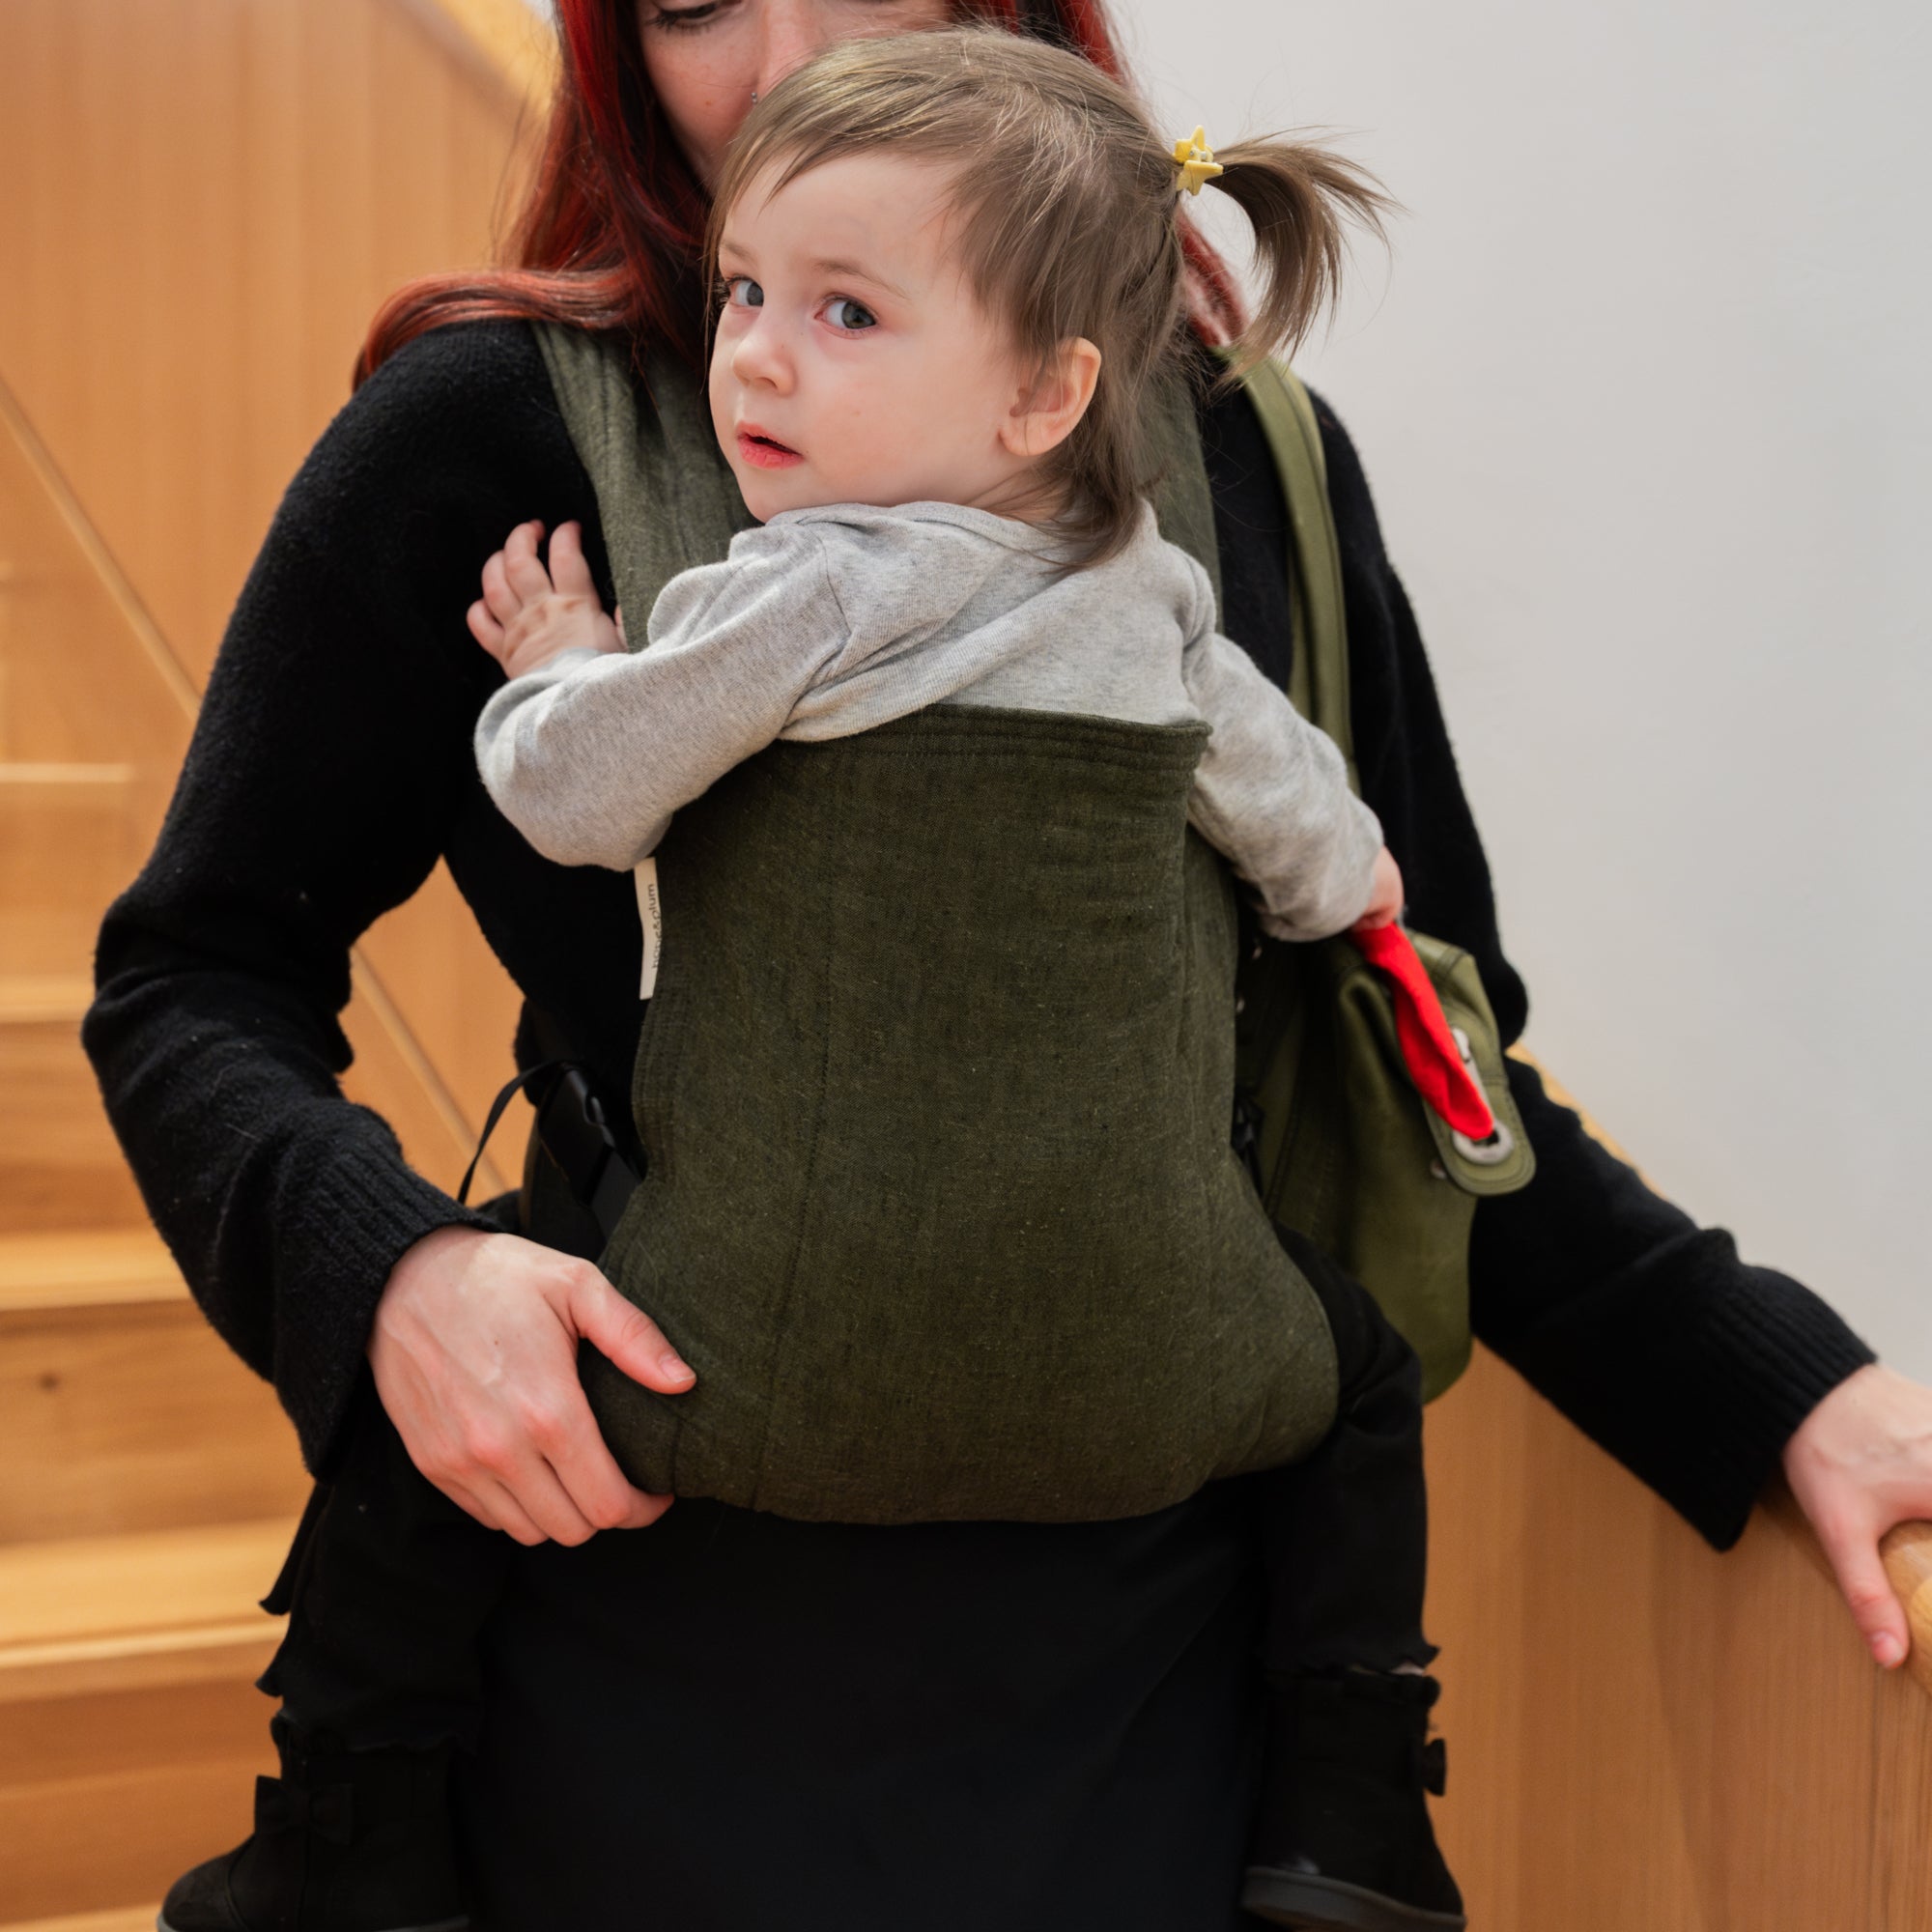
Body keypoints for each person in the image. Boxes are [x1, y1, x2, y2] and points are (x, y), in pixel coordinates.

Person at [80, 1, 1932, 1927]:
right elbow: (197, 975)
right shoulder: (496, 435)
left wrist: (1778, 1384)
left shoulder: (1249, 462)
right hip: (618, 1642)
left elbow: (1402, 1042)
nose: (788, 56)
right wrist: (395, 1275)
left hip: (1148, 1709)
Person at [158, 37, 1471, 1932]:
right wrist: (392, 1268)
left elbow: (578, 793)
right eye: (754, 296)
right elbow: (1334, 866)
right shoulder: (1155, 595)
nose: (755, 351)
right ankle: (1356, 1794)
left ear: (1044, 385)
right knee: (1343, 1376)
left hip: (737, 1380)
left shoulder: (792, 590)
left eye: (840, 310)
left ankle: (344, 1798)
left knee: (423, 1485)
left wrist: (554, 663)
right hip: (1097, 1412)